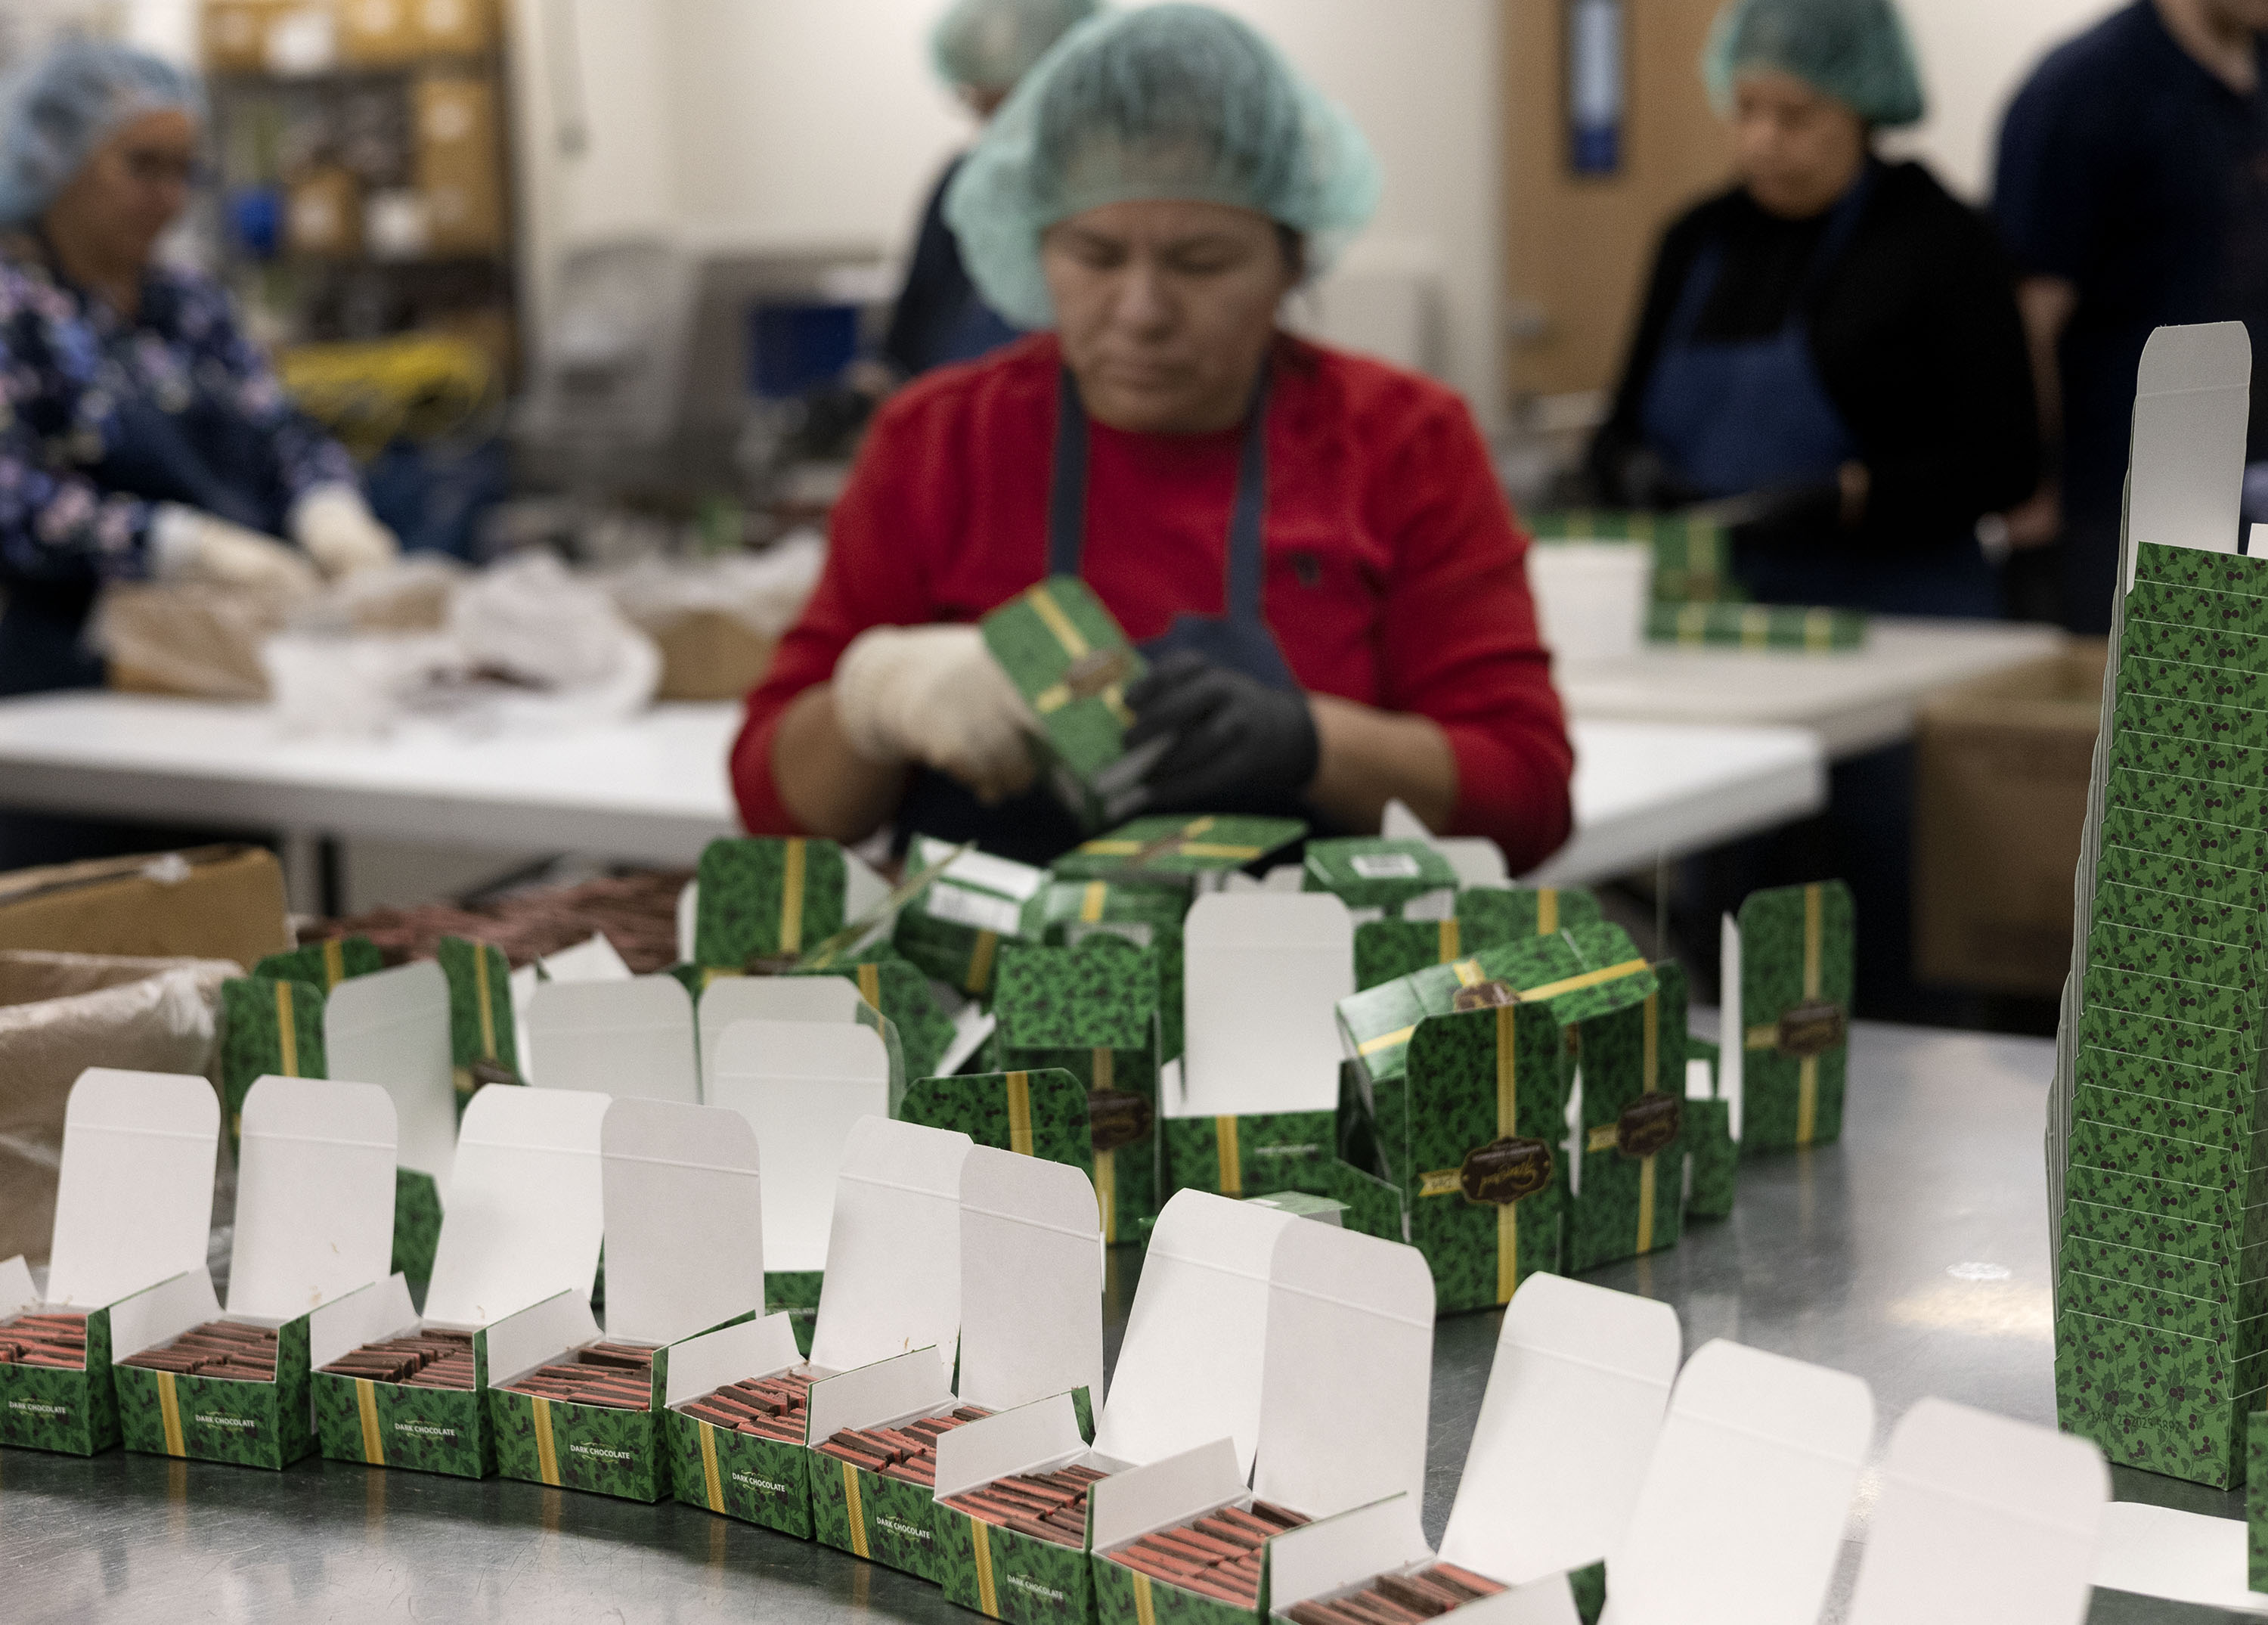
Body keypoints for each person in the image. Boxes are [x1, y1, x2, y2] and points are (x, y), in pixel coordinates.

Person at [734, 5, 1574, 869]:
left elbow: (1528, 800)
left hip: (1299, 985)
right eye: (1094, 257)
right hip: (982, 993)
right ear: (1033, 247)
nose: (1140, 313)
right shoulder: (940, 441)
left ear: (1292, 260)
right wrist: (879, 699)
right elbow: (774, 806)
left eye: (1201, 263)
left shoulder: (1402, 442)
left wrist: (1312, 744)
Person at [1588, 0, 2037, 619]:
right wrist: (1629, 472)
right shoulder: (1694, 240)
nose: (1762, 139)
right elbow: (1619, 429)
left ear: (1861, 106)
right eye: (1745, 108)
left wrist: (1851, 499)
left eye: (1794, 116)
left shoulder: (1939, 239)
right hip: (1717, 616)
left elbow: (2007, 463)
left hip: (1902, 617)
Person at [0, 38, 396, 700]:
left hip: (239, 659)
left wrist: (329, 509)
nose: (170, 197)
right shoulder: (17, 309)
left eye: (185, 170)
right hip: (72, 686)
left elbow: (277, 428)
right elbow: (10, 498)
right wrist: (179, 546)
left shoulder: (190, 304)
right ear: (52, 159)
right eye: (144, 166)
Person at [1994, 0, 2268, 634]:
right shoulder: (2087, 89)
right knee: (2167, 724)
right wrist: (2034, 506)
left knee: (2241, 724)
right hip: (2132, 520)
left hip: (2249, 503)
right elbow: (2026, 325)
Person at [878, 0, 1098, 380]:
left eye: (1008, 109)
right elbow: (908, 331)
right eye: (984, 114)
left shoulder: (1104, 196)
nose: (996, 136)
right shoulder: (963, 182)